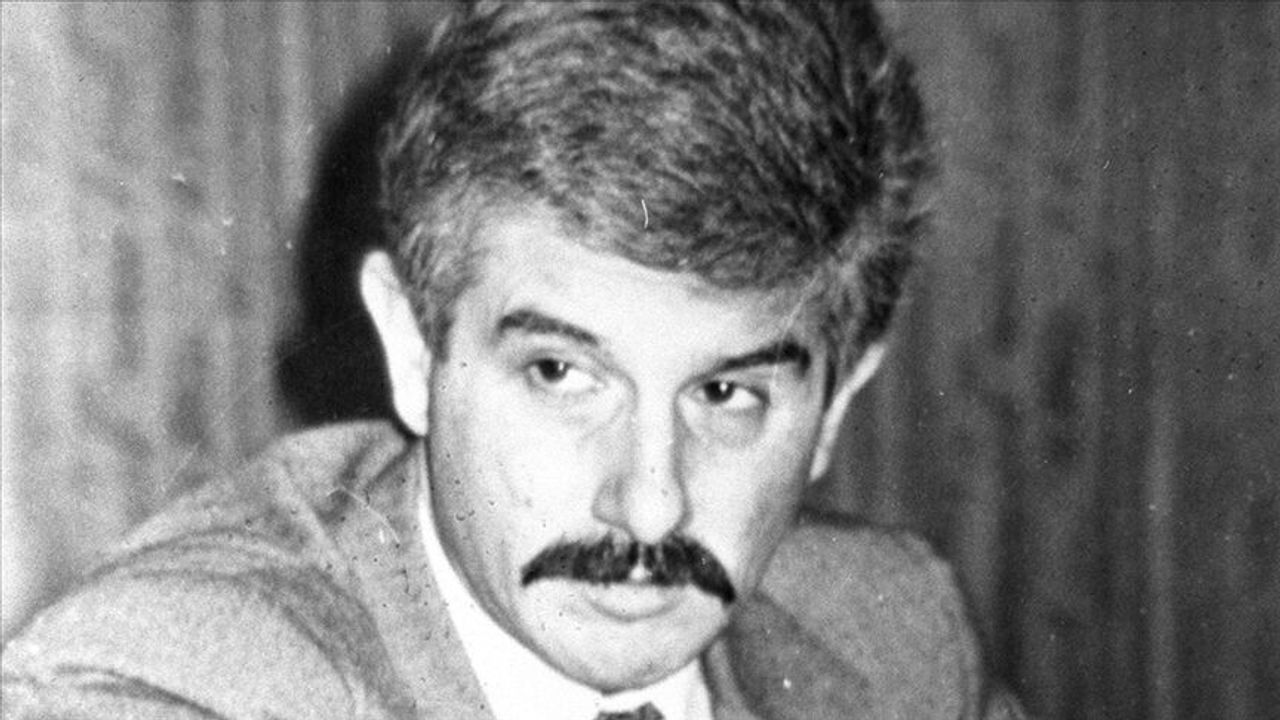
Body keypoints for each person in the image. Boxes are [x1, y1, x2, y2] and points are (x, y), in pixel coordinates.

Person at [2, 2, 1025, 718]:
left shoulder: (893, 640)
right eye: (560, 375)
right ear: (414, 347)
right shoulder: (171, 680)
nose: (649, 507)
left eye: (725, 394)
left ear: (836, 404)